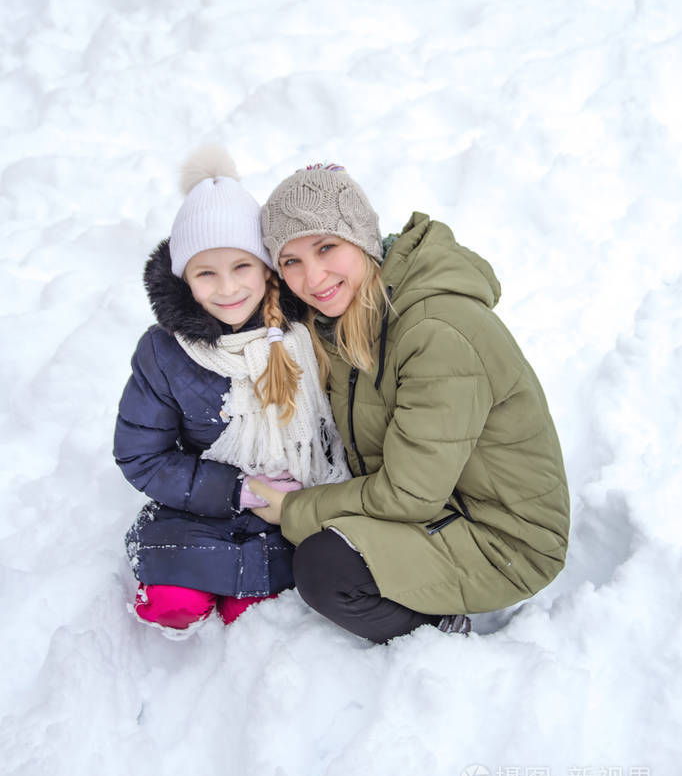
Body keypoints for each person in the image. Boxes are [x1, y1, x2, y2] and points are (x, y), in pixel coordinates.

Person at [249, 163, 570, 644]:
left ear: (361, 239)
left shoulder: (434, 331)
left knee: (324, 567)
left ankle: (436, 630)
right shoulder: (351, 318)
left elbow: (408, 494)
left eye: (325, 247)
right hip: (441, 506)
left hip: (503, 540)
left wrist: (295, 508)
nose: (312, 277)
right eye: (290, 261)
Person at [113, 148, 349, 636]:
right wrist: (238, 490)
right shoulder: (165, 352)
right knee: (171, 604)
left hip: (295, 508)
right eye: (206, 273)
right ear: (184, 280)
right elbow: (141, 456)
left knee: (255, 612)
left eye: (241, 267)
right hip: (205, 504)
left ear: (267, 269)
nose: (227, 289)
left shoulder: (308, 330)